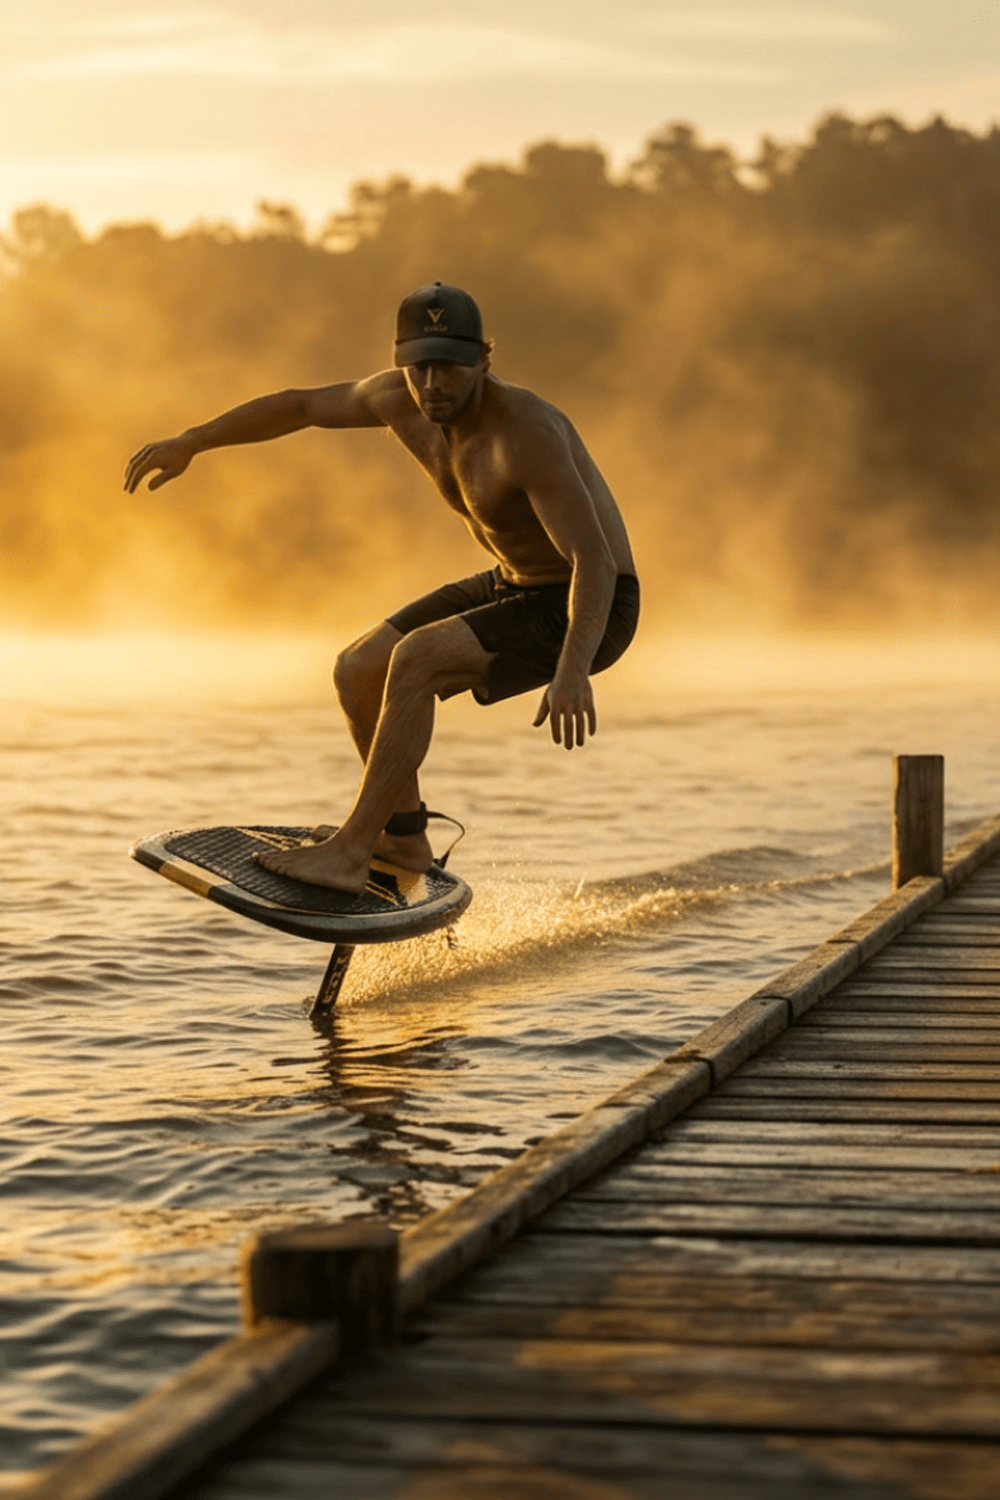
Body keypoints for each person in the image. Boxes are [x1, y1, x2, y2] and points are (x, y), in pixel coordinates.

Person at [125, 282, 639, 893]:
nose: (432, 384)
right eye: (419, 366)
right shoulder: (398, 399)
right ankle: (402, 834)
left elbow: (594, 562)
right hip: (514, 581)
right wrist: (192, 441)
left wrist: (573, 669)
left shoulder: (524, 433)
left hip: (590, 603)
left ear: (484, 360)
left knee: (416, 659)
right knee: (360, 665)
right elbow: (299, 407)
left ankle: (351, 850)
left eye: (448, 366)